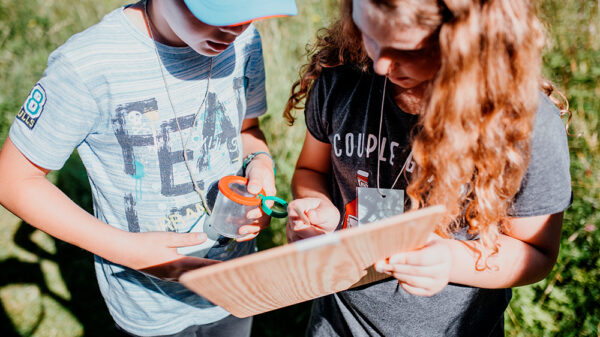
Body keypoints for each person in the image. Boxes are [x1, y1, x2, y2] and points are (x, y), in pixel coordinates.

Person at [0, 0, 297, 336]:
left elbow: (246, 130)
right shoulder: (88, 66)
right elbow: (14, 180)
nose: (234, 28)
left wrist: (260, 163)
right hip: (149, 303)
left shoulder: (245, 44)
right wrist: (131, 252)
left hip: (234, 285)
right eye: (214, 12)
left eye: (245, 12)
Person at [284, 0, 572, 336]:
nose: (379, 64)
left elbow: (536, 252)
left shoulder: (522, 125)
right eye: (370, 35)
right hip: (336, 324)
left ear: (467, 43)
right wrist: (318, 206)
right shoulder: (343, 78)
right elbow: (311, 170)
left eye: (406, 49)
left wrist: (451, 260)